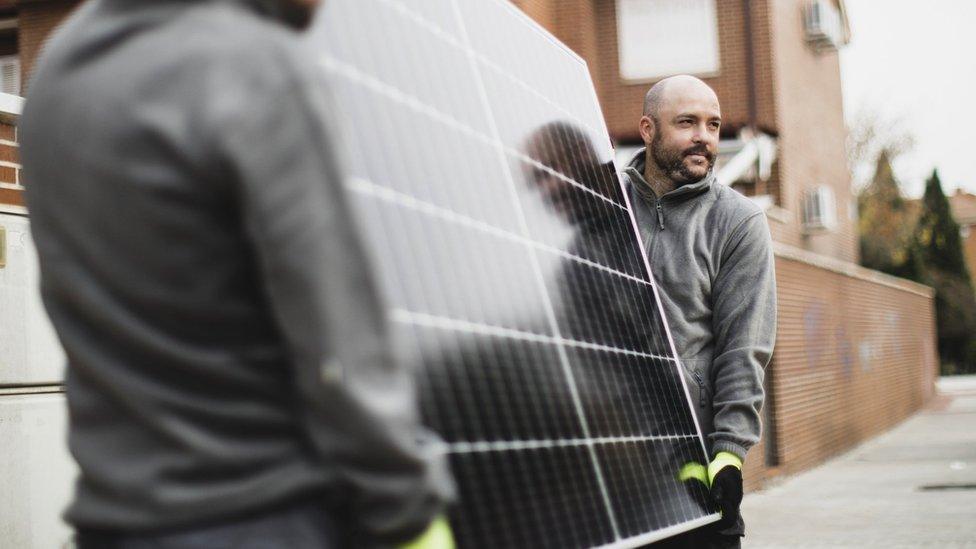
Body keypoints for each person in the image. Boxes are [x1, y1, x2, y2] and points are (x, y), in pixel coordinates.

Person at [19, 0, 454, 547]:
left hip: (113, 522)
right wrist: (407, 508)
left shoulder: (58, 71)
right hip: (273, 517)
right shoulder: (255, 67)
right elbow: (340, 346)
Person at [620, 75, 777, 548]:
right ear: (648, 130)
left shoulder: (738, 222)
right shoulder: (606, 205)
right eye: (687, 122)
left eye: (713, 124)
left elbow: (743, 346)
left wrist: (728, 452)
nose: (704, 137)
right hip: (606, 459)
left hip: (693, 471)